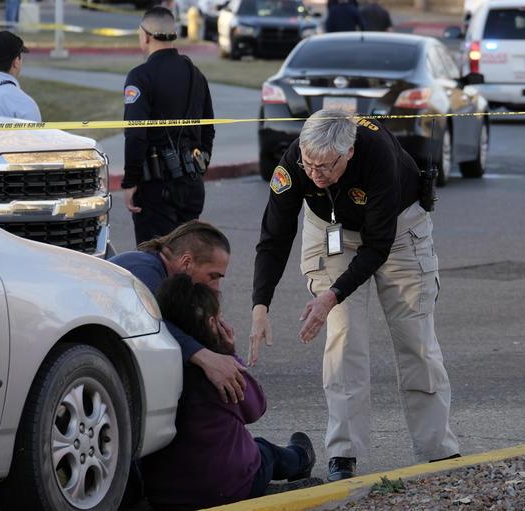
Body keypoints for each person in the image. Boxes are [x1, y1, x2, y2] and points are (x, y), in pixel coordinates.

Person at [248, 109, 460, 483]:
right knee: (344, 338)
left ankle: (436, 451)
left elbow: (377, 246)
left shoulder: (379, 155)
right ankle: (344, 452)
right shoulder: (298, 158)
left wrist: (331, 295)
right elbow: (275, 234)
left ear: (348, 153)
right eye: (309, 164)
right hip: (331, 230)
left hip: (397, 233)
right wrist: (260, 305)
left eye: (326, 167)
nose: (315, 173)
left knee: (416, 340)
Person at [141, 274, 317, 510]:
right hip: (226, 489)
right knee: (265, 452)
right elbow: (256, 407)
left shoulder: (149, 366)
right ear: (213, 323)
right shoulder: (219, 373)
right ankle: (301, 458)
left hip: (163, 495)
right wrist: (229, 352)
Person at [110, 220, 245, 403]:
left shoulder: (163, 274)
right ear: (187, 262)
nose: (215, 287)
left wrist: (222, 347)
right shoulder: (143, 268)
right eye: (213, 276)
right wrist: (205, 357)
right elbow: (148, 324)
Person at [122, 6, 215, 245]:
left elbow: (136, 135)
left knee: (155, 262)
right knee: (186, 260)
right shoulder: (196, 74)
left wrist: (130, 181)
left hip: (156, 189)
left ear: (145, 35)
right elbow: (208, 129)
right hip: (192, 186)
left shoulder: (140, 76)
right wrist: (198, 165)